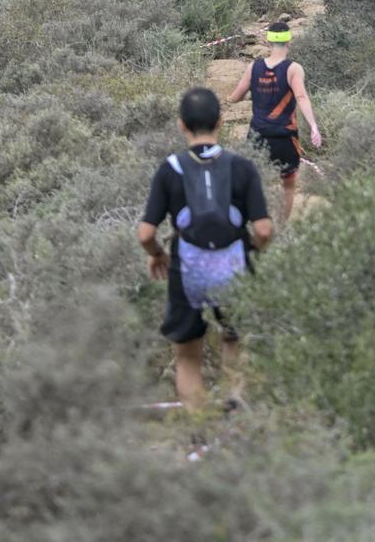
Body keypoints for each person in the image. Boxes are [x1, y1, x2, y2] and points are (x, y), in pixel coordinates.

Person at [137, 87, 272, 407]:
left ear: (181, 125)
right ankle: (235, 413)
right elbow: (265, 229)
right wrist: (251, 247)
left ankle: (199, 439)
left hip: (187, 269)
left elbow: (145, 233)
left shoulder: (170, 168)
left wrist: (157, 255)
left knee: (187, 359)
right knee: (235, 341)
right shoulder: (241, 167)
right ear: (221, 121)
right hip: (235, 267)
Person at [226, 22, 321, 226]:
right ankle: (280, 225)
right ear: (288, 41)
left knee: (252, 181)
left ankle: (252, 223)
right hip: (284, 137)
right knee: (288, 184)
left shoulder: (254, 66)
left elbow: (236, 95)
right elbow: (301, 97)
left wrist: (222, 102)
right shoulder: (293, 69)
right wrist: (313, 125)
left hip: (257, 135)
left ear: (268, 41)